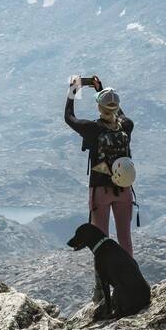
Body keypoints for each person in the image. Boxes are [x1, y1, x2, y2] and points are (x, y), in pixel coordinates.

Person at [65, 75, 135, 255]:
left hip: (100, 190)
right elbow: (120, 114)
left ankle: (101, 283)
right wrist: (101, 89)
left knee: (101, 241)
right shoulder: (127, 126)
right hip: (124, 189)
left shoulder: (92, 129)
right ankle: (130, 280)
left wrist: (73, 90)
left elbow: (69, 117)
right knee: (125, 239)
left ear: (98, 106)